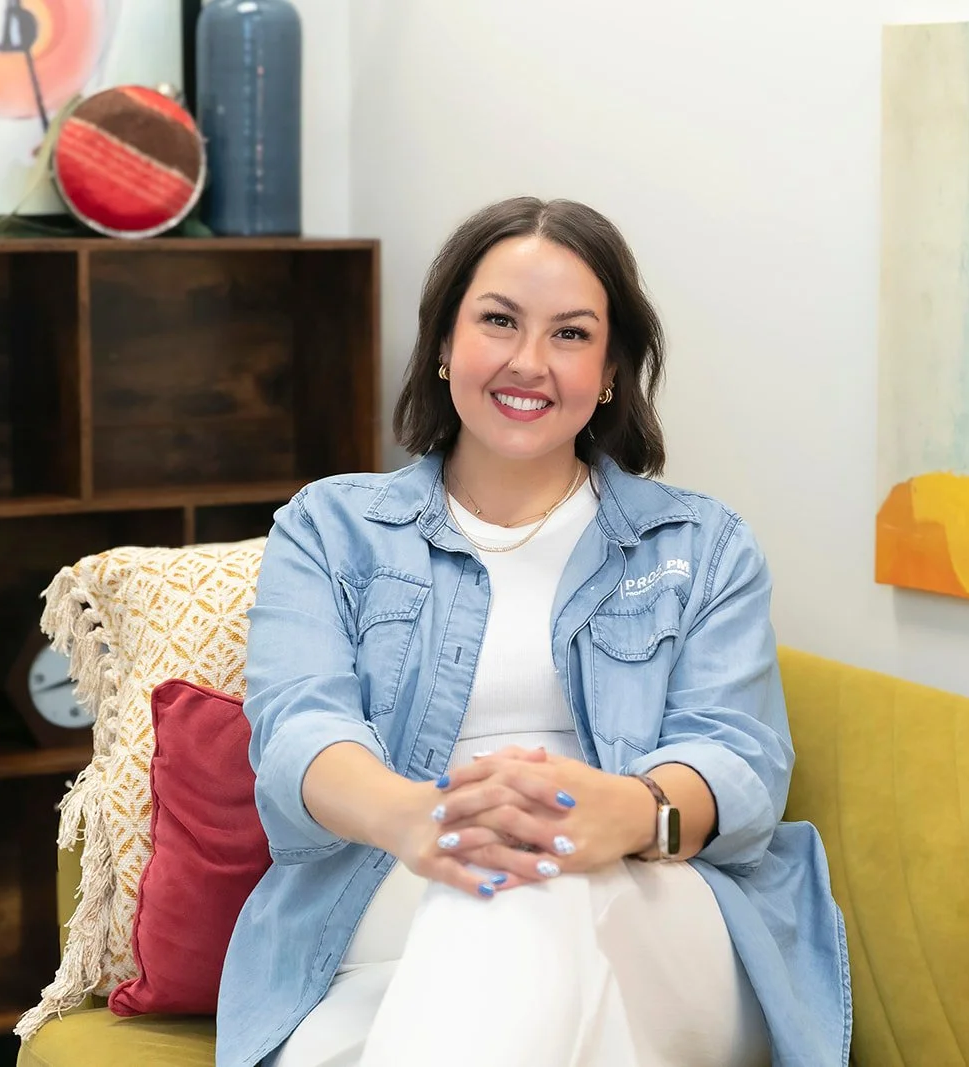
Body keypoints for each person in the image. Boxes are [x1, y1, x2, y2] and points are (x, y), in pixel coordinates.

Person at [216, 197, 851, 1067]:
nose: (529, 361)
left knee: (522, 881)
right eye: (499, 321)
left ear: (612, 368)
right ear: (444, 343)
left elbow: (738, 759)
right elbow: (298, 730)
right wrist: (419, 817)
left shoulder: (701, 545)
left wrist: (625, 814)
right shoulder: (328, 528)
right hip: (382, 924)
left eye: (571, 334)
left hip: (660, 919)